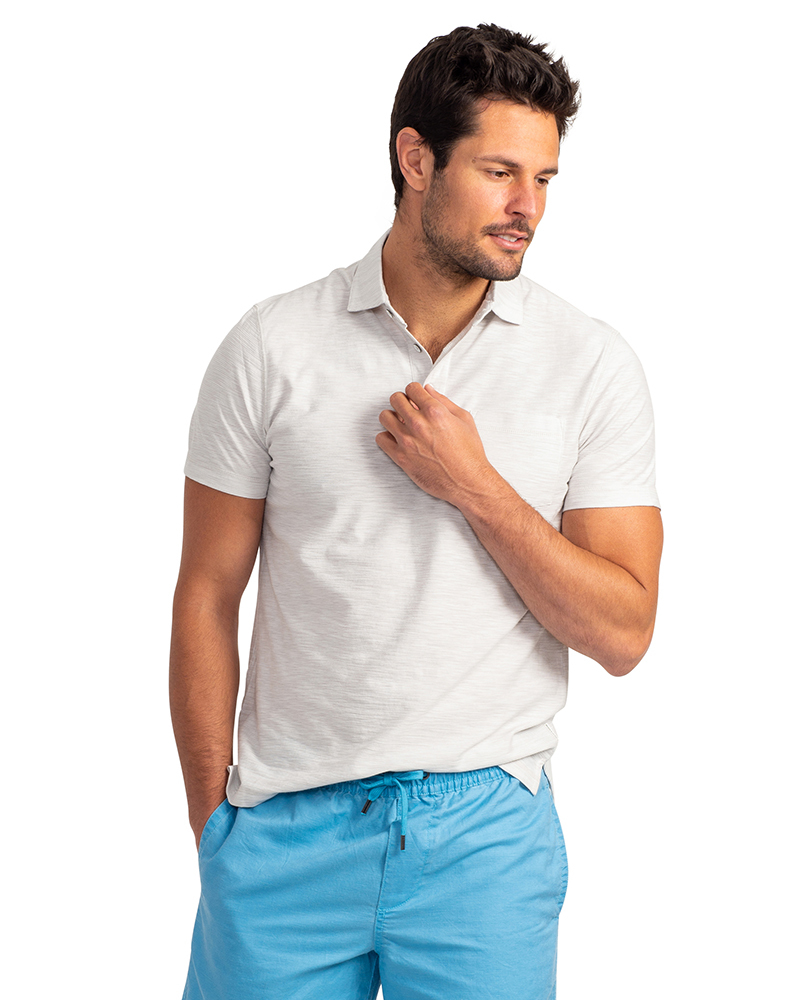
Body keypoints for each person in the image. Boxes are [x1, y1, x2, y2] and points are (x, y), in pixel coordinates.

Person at [170, 22, 663, 1000]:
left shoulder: (590, 363)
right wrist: (215, 827)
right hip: (280, 837)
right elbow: (206, 591)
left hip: (483, 841)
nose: (527, 207)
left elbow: (623, 632)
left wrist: (475, 486)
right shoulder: (272, 345)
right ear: (415, 159)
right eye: (498, 172)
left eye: (544, 179)